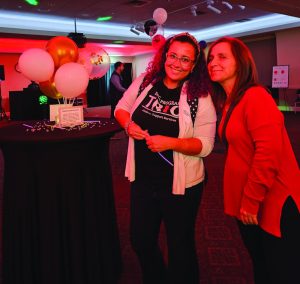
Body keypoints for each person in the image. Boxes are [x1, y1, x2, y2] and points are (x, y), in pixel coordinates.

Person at [115, 32, 216, 284]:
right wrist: (128, 126)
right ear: (164, 56)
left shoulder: (199, 98)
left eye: (185, 59)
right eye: (173, 56)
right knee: (140, 240)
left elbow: (205, 146)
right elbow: (121, 108)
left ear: (194, 65)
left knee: (180, 247)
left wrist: (170, 143)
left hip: (181, 186)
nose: (176, 63)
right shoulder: (144, 82)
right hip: (143, 180)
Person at [207, 36, 300, 284]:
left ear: (241, 62)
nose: (213, 62)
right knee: (263, 265)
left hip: (272, 198)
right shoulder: (230, 101)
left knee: (281, 270)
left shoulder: (256, 96)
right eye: (211, 58)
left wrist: (251, 200)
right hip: (251, 198)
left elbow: (268, 153)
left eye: (222, 56)